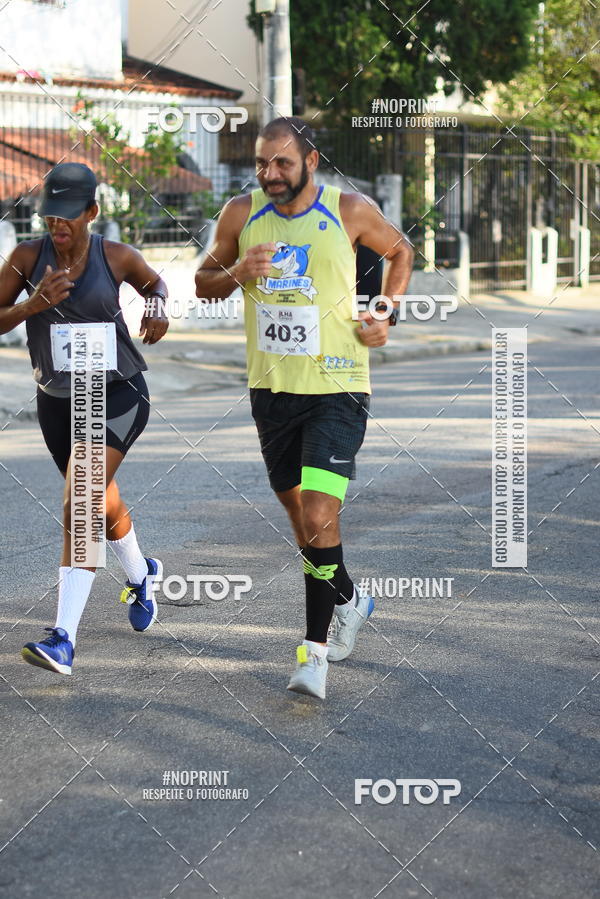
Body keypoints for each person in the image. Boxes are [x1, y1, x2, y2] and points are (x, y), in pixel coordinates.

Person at [195, 117, 414, 699]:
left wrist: (385, 311)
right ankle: (351, 599)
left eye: (282, 164)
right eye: (262, 164)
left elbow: (400, 250)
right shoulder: (242, 215)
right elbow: (202, 283)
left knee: (319, 514)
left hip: (340, 387)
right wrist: (238, 271)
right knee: (303, 522)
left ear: (309, 161)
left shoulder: (349, 210)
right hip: (271, 391)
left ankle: (312, 653)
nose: (269, 174)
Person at [0, 162, 169, 675]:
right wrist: (32, 305)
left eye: (69, 217)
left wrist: (158, 307)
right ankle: (142, 574)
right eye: (51, 216)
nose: (59, 226)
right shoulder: (27, 258)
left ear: (92, 212)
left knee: (79, 500)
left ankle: (63, 639)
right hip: (56, 400)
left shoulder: (115, 256)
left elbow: (156, 284)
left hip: (116, 393)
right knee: (99, 499)